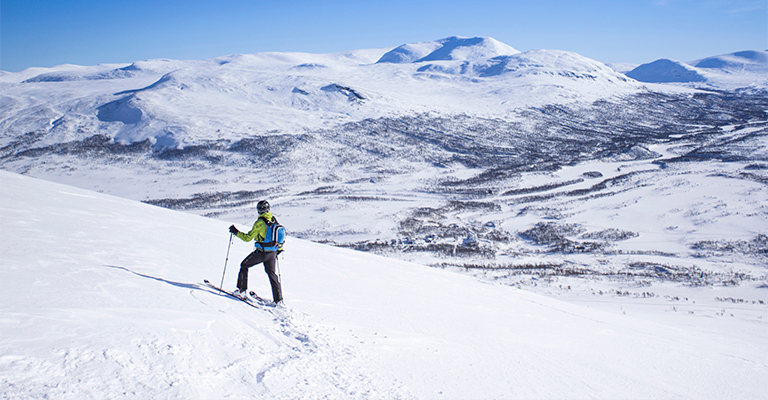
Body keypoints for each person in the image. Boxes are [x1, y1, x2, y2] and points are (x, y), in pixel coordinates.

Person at [228, 200, 283, 304]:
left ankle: (241, 291)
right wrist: (278, 250)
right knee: (272, 274)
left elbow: (247, 238)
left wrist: (236, 232)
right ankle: (278, 300)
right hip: (272, 253)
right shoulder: (273, 219)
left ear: (258, 210)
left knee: (244, 265)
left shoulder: (259, 223)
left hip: (262, 252)